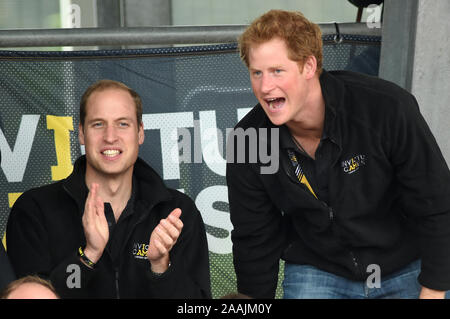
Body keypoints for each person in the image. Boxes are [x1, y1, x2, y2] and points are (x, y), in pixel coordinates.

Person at [226, 9, 450, 299]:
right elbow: (255, 237)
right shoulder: (249, 140)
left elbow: (436, 204)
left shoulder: (386, 108)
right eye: (257, 73)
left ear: (309, 66)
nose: (265, 87)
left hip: (405, 264)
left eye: (277, 71)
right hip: (319, 269)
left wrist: (433, 289)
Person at [6, 80, 211, 298]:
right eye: (98, 124)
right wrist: (88, 256)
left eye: (123, 124)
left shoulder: (177, 211)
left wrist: (161, 267)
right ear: (82, 133)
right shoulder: (35, 211)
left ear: (140, 133)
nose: (110, 137)